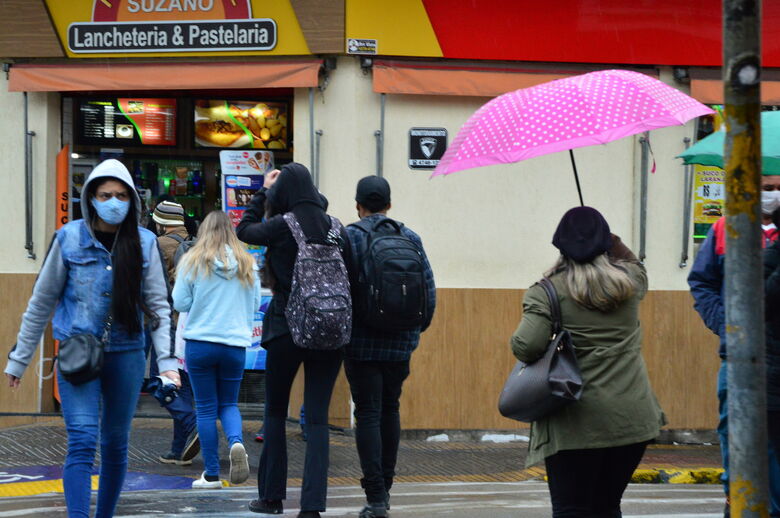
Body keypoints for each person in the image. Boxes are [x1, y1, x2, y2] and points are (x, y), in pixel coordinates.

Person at [4, 159, 177, 518]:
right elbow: (41, 302)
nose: (113, 202)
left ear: (132, 200)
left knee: (115, 444)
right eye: (105, 195)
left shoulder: (144, 243)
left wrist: (169, 364)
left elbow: (158, 307)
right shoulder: (69, 238)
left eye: (120, 195)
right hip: (77, 354)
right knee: (82, 439)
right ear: (91, 198)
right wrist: (20, 359)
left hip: (128, 354)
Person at [510, 206, 664, 518]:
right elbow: (637, 265)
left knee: (572, 509)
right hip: (631, 419)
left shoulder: (547, 292)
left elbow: (526, 346)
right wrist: (612, 241)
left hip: (576, 423)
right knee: (607, 507)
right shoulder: (630, 283)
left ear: (560, 246)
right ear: (605, 243)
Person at [236, 163, 355, 518]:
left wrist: (262, 191)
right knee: (316, 419)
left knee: (275, 412)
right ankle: (312, 507)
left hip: (286, 327)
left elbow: (244, 230)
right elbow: (353, 279)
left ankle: (271, 498)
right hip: (330, 330)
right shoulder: (337, 229)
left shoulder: (283, 225)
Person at [344, 176, 436, 518]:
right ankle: (387, 485)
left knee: (367, 411)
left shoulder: (350, 237)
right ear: (389, 205)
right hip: (400, 343)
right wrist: (413, 332)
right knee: (390, 408)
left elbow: (343, 290)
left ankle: (376, 496)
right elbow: (429, 290)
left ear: (358, 205)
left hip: (361, 342)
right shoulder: (409, 237)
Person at [688, 173, 780, 518]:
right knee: (736, 433)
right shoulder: (726, 229)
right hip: (740, 358)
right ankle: (739, 500)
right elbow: (703, 282)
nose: (774, 195)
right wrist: (726, 327)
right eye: (767, 188)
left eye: (779, 188)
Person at [172, 210, 260, 489]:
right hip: (234, 346)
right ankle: (236, 443)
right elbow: (255, 304)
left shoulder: (193, 261)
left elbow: (179, 302)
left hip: (200, 344)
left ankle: (211, 474)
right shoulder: (248, 263)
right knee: (229, 404)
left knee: (207, 409)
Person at [148, 200, 199, 466]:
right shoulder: (197, 244)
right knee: (184, 387)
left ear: (161, 222)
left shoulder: (158, 245)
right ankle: (179, 449)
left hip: (165, 324)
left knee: (160, 381)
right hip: (190, 325)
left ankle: (192, 423)